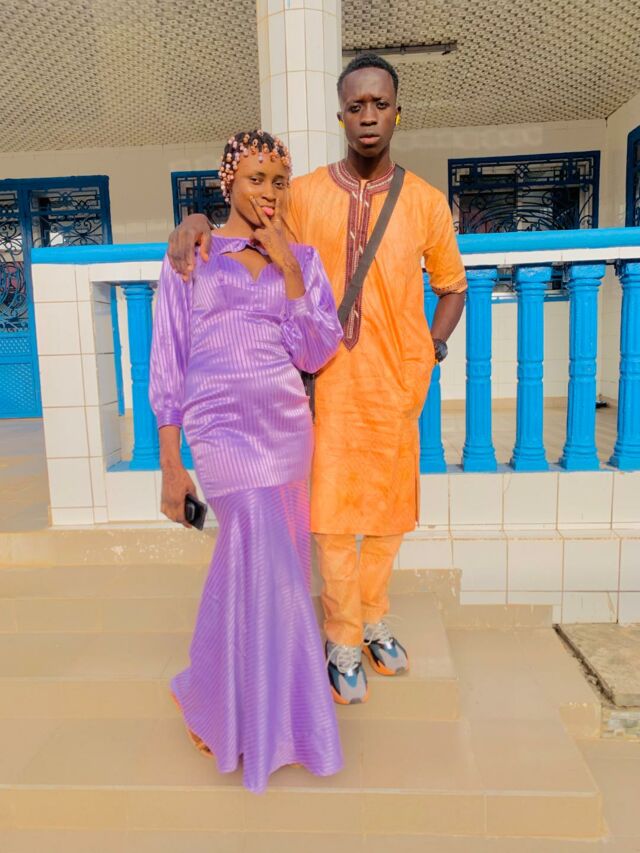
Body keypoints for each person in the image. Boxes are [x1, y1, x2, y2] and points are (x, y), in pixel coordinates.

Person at [167, 54, 467, 706]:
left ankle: (374, 617)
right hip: (324, 384)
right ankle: (341, 637)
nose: (368, 116)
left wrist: (432, 349)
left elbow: (452, 287)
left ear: (397, 113)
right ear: (340, 116)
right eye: (356, 106)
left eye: (379, 104)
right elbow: (250, 228)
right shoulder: (303, 194)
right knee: (330, 519)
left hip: (396, 385)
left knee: (389, 517)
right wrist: (196, 223)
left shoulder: (425, 202)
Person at [149, 130, 344, 793]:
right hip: (221, 431)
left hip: (287, 430)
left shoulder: (303, 258)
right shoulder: (194, 253)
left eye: (280, 180)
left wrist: (290, 268)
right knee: (261, 551)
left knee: (272, 565)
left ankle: (225, 699)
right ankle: (267, 718)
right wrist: (171, 465)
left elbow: (315, 351)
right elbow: (168, 357)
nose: (270, 192)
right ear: (228, 181)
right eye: (256, 178)